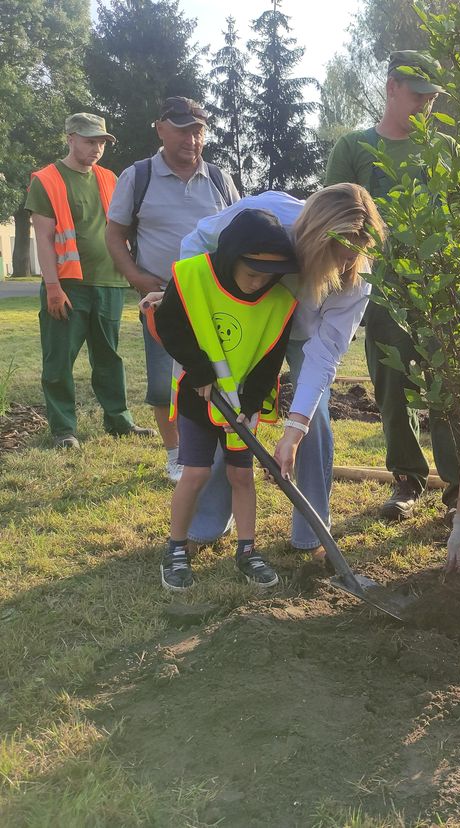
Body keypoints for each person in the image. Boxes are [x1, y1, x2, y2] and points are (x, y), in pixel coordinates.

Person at [177, 184, 385, 558]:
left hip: (307, 337)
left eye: (351, 258)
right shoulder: (265, 215)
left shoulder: (357, 275)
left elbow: (325, 354)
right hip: (254, 322)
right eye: (334, 256)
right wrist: (189, 303)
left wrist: (293, 431)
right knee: (231, 408)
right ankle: (207, 524)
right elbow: (196, 242)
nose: (342, 267)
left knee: (315, 420)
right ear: (312, 237)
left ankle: (312, 532)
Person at [324, 50, 460, 533]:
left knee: (449, 389)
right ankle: (407, 480)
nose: (425, 104)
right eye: (417, 94)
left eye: (432, 97)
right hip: (383, 293)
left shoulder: (445, 151)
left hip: (442, 292)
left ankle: (456, 490)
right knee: (392, 389)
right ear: (391, 87)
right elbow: (338, 215)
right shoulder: (354, 147)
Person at [152, 209, 297, 591]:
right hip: (197, 399)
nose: (258, 283)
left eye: (268, 276)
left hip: (239, 406)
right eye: (251, 273)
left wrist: (250, 403)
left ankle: (248, 551)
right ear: (231, 257)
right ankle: (176, 548)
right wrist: (199, 371)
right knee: (197, 472)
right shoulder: (192, 276)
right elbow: (169, 325)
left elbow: (270, 359)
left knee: (241, 477)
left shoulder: (279, 302)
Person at [105, 97, 239, 485]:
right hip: (160, 298)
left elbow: (239, 231)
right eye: (182, 129)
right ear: (160, 128)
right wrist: (135, 276)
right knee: (165, 381)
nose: (191, 139)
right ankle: (176, 455)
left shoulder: (219, 178)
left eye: (198, 130)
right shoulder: (138, 176)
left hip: (212, 298)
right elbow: (115, 234)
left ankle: (214, 446)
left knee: (216, 374)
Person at [26, 113, 152, 448]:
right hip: (67, 286)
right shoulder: (47, 180)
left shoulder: (111, 178)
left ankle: (119, 421)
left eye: (101, 142)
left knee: (109, 357)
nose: (96, 148)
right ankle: (64, 430)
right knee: (59, 360)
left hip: (109, 282)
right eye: (89, 140)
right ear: (70, 138)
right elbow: (43, 237)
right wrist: (52, 287)